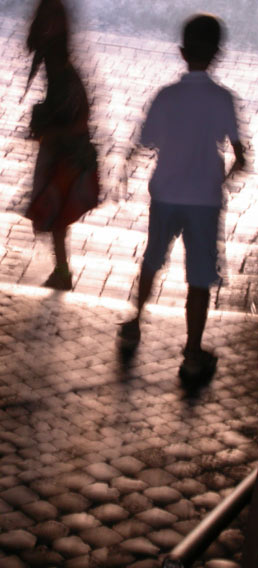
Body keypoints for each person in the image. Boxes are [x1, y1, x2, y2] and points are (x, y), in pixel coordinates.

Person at [119, 14, 245, 382]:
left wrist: (129, 165)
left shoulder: (166, 96)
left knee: (153, 258)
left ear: (181, 51)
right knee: (200, 276)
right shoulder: (224, 99)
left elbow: (145, 142)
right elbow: (241, 155)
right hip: (204, 200)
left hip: (166, 193)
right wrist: (220, 180)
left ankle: (134, 323)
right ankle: (192, 351)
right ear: (218, 54)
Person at [25, 0, 100, 290]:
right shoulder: (55, 63)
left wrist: (53, 130)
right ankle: (61, 270)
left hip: (67, 151)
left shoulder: (62, 70)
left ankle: (63, 272)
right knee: (55, 213)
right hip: (64, 148)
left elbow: (81, 119)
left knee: (55, 212)